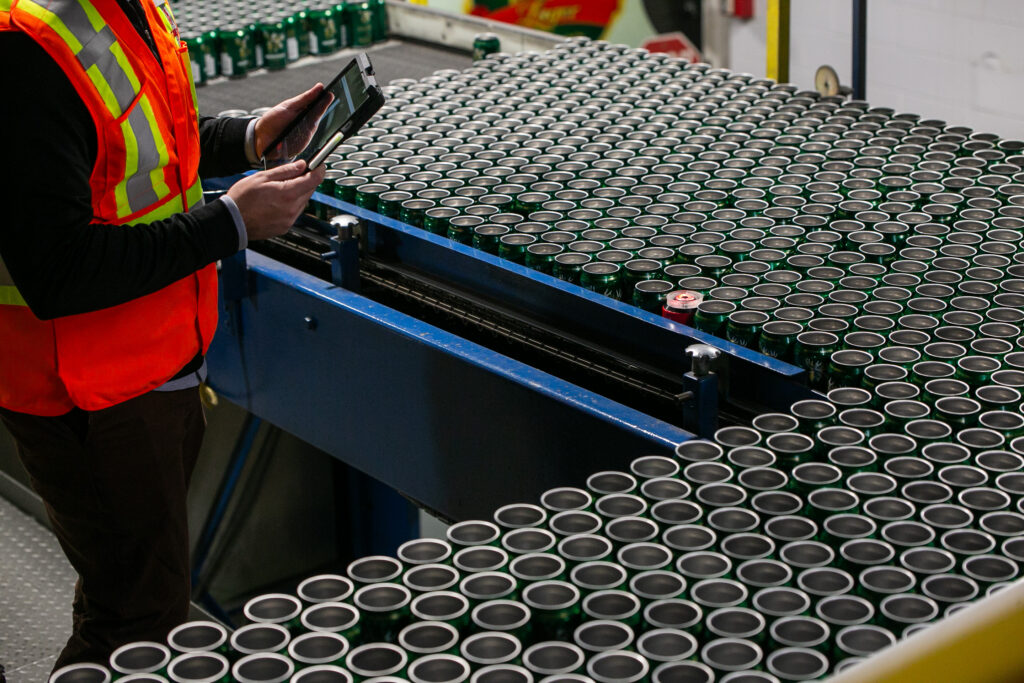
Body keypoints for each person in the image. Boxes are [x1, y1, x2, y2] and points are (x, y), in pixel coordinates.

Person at [0, 0, 326, 668]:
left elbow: (146, 147)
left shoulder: (128, 9)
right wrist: (230, 222)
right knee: (136, 623)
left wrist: (249, 135)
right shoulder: (25, 47)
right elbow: (56, 269)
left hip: (155, 362)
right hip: (87, 391)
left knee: (128, 598)